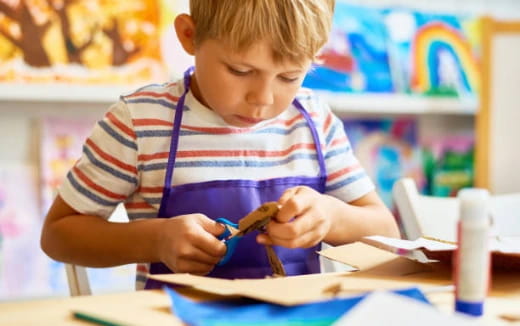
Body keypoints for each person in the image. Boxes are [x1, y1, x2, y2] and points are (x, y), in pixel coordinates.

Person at [41, 0, 400, 290]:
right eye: (240, 71)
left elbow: (385, 231)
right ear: (189, 36)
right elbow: (59, 235)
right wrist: (156, 240)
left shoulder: (314, 121)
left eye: (290, 76)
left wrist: (332, 217)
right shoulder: (141, 122)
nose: (262, 99)